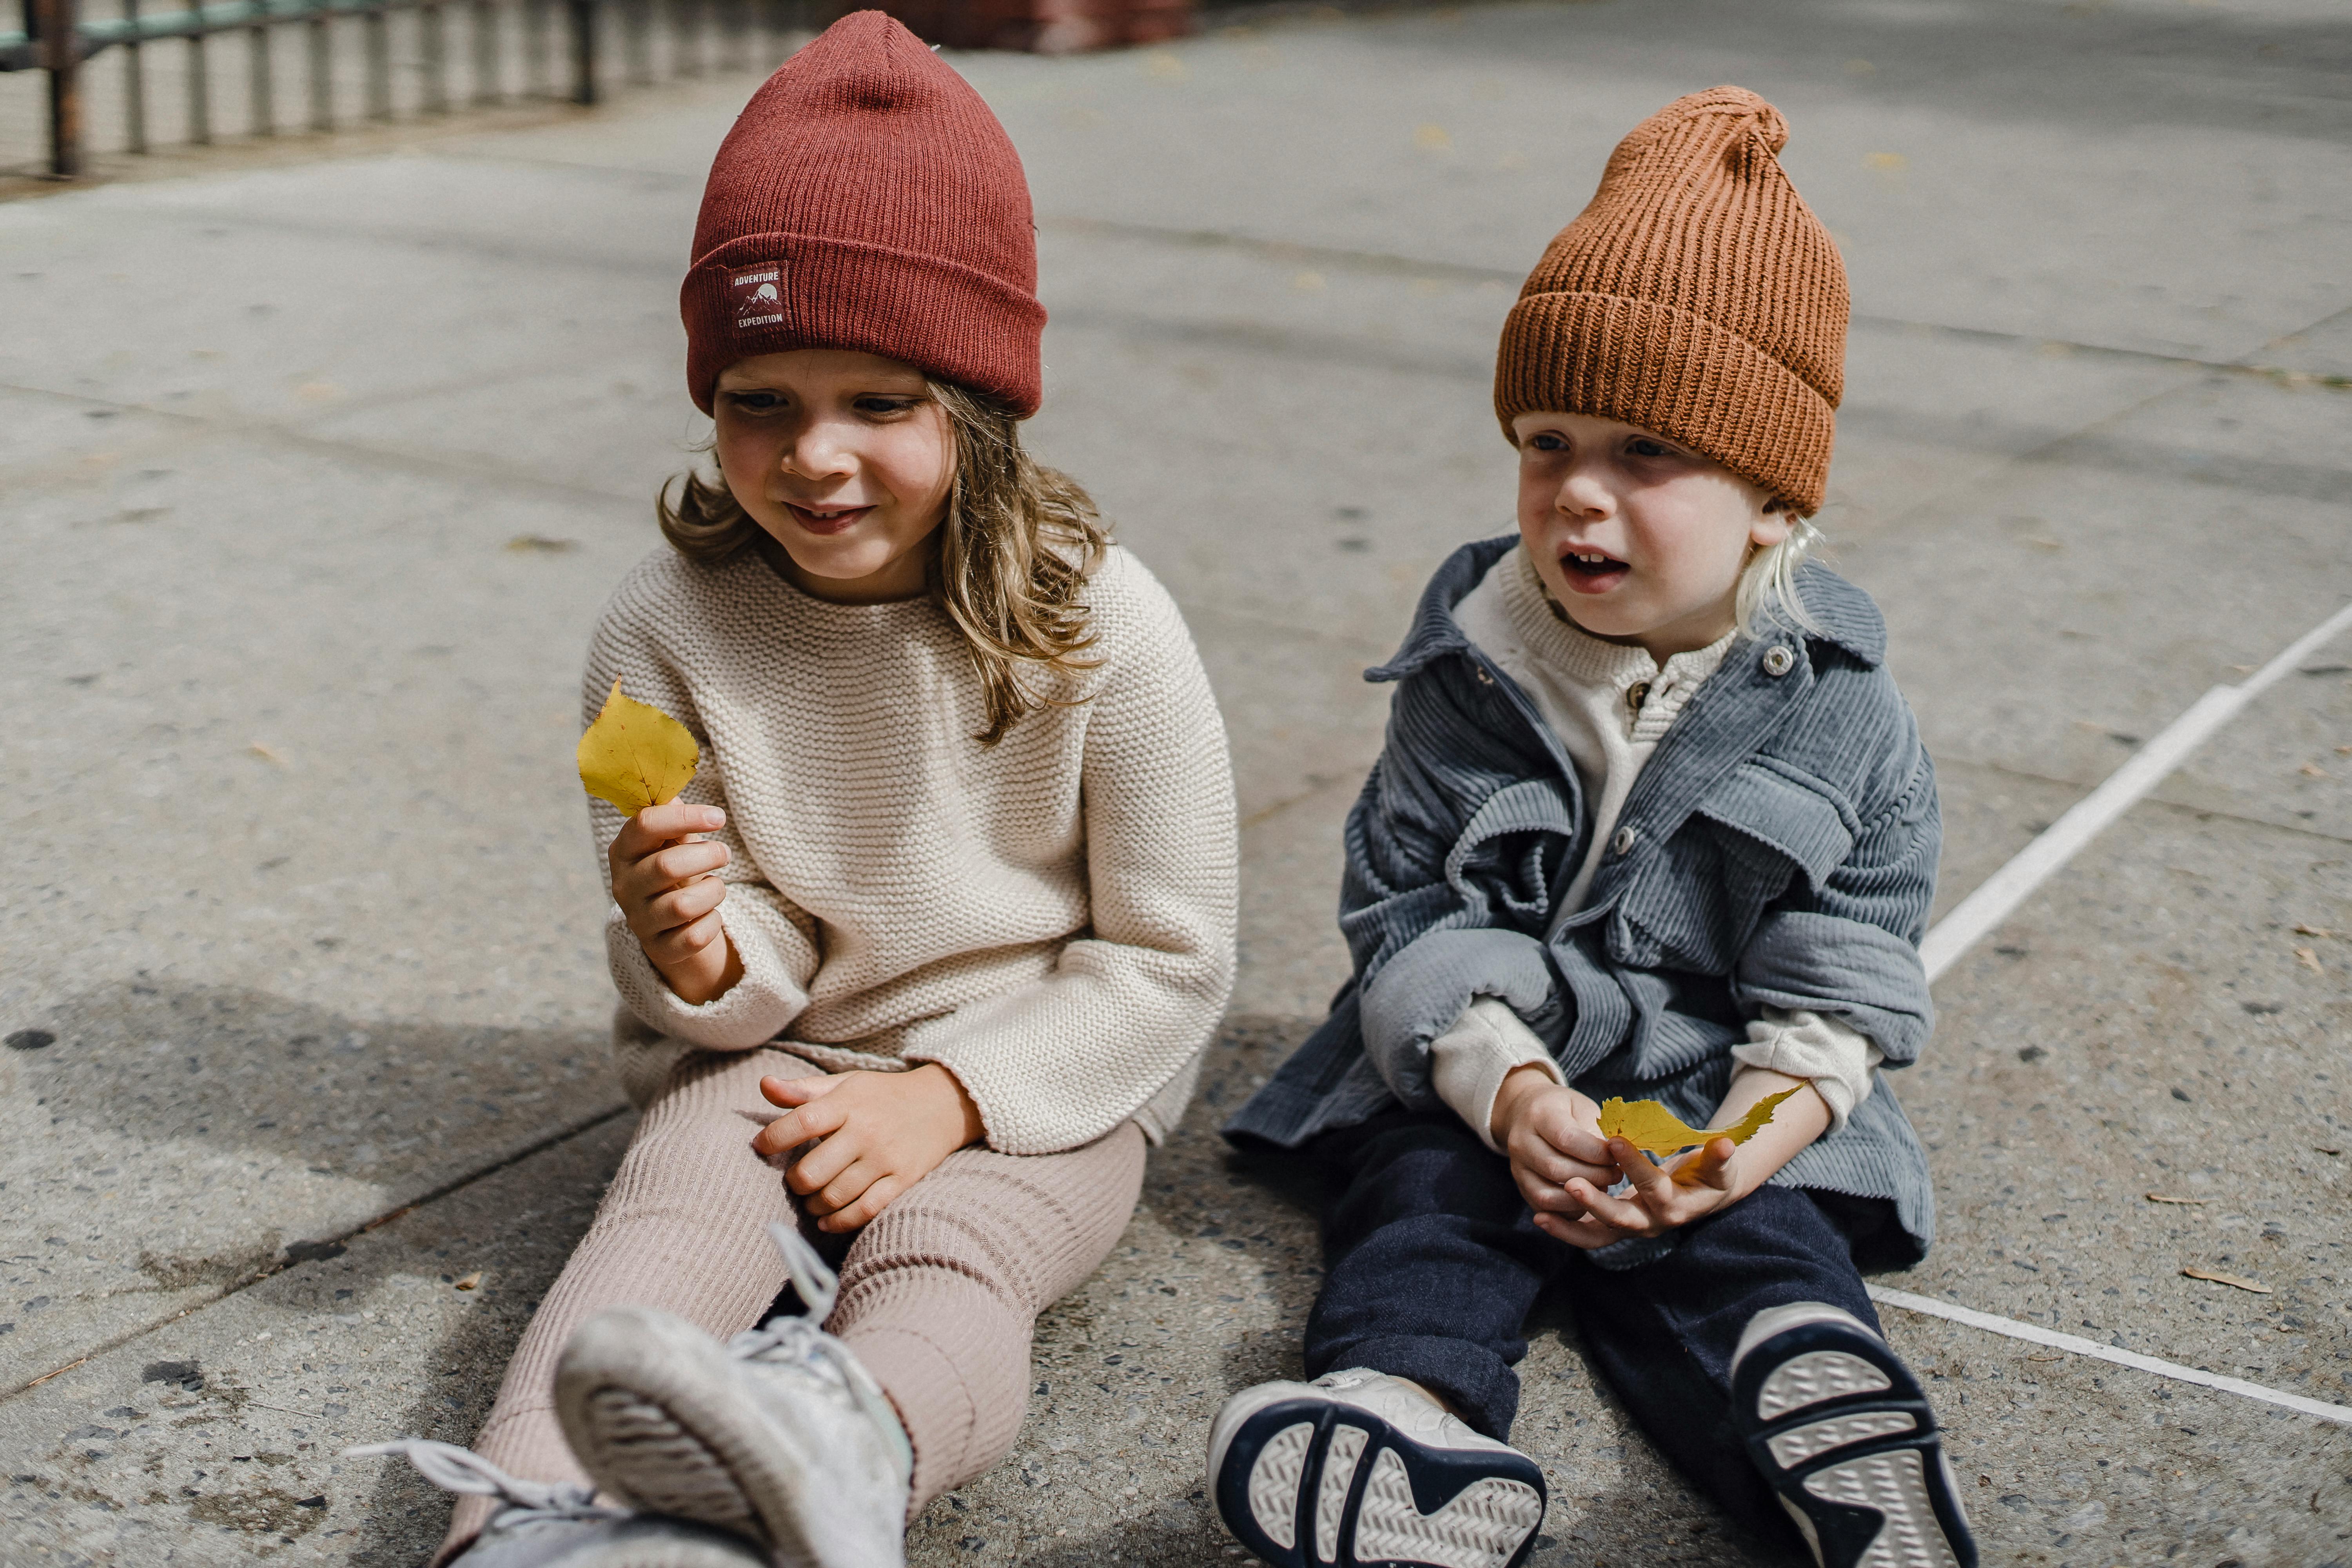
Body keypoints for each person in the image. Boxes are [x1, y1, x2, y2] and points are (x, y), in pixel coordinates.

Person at [349, 15, 1238, 1566]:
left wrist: (951, 1097)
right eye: (762, 397)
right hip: (785, 1050)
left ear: (977, 406)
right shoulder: (662, 622)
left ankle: (844, 1446)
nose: (815, 456)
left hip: (1039, 1070)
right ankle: (525, 1523)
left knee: (954, 1257)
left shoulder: (1104, 620)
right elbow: (728, 959)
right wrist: (695, 952)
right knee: (661, 1230)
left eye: (881, 403)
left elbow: (1170, 957)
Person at [1209, 87, 1976, 1568]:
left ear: (1773, 500)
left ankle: (1828, 1434)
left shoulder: (1846, 713)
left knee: (1756, 1239)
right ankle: (1403, 1423)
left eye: (1647, 453)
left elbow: (1845, 975)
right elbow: (1409, 918)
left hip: (1713, 1073)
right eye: (1546, 439)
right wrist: (1509, 1093)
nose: (1578, 493)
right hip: (1486, 1046)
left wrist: (1748, 1140)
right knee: (1423, 1191)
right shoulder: (1472, 661)